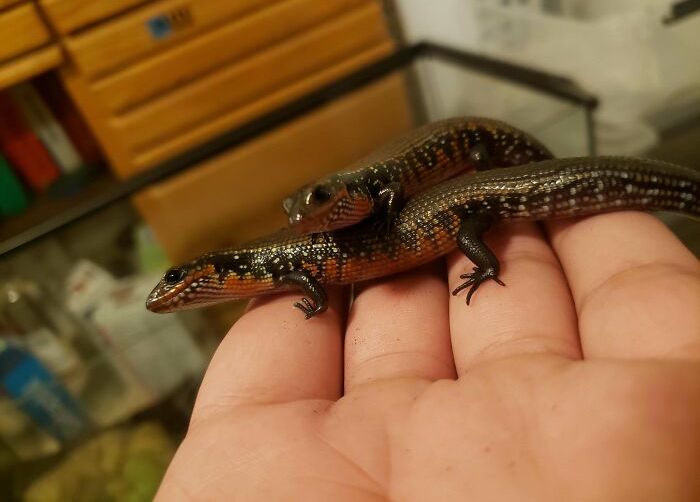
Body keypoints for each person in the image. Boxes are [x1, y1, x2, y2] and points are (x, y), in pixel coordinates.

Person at [156, 211, 700, 501]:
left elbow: (307, 281)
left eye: (177, 278)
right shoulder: (260, 265)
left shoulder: (265, 265)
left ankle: (490, 263)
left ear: (212, 267)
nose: (169, 291)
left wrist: (316, 303)